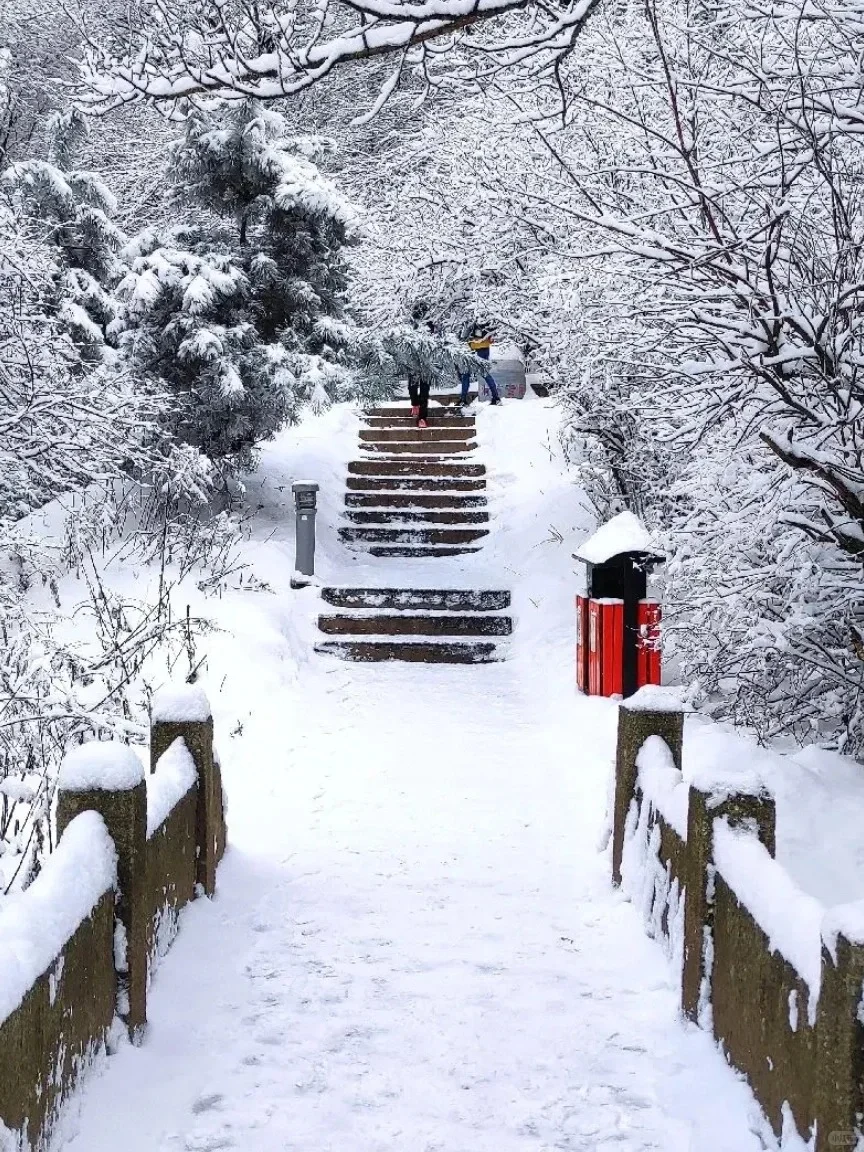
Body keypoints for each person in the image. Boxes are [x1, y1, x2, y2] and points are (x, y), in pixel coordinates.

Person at [458, 318, 502, 408]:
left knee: (466, 375)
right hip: (484, 350)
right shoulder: (487, 320)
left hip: (475, 350)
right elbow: (492, 338)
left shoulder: (474, 321)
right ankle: (496, 398)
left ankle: (463, 399)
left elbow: (464, 336)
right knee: (484, 374)